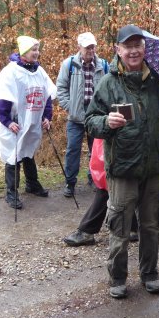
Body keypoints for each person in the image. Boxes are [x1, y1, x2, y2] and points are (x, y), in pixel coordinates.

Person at [85, 24, 159, 299]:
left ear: (145, 49)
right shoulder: (108, 83)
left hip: (154, 166)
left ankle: (150, 273)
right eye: (128, 46)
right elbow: (90, 121)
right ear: (118, 50)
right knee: (119, 226)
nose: (133, 51)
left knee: (150, 225)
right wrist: (106, 122)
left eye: (138, 45)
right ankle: (117, 277)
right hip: (122, 167)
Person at [0, 35, 54, 209]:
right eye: (33, 50)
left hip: (32, 121)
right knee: (14, 156)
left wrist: (47, 117)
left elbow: (46, 97)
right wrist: (7, 122)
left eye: (38, 49)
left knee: (28, 152)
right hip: (14, 122)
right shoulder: (11, 72)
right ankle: (11, 193)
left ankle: (32, 184)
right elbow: (2, 100)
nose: (36, 53)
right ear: (24, 51)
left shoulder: (39, 71)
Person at [56, 32, 109, 198]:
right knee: (73, 149)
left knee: (97, 150)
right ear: (79, 47)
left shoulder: (104, 65)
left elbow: (109, 88)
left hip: (96, 116)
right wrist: (70, 107)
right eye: (87, 47)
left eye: (93, 46)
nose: (91, 50)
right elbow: (61, 88)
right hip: (76, 116)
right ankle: (70, 182)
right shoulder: (69, 64)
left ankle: (94, 178)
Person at [61, 138, 139, 246]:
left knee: (107, 187)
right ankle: (131, 227)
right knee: (112, 185)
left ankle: (87, 230)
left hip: (125, 144)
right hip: (121, 142)